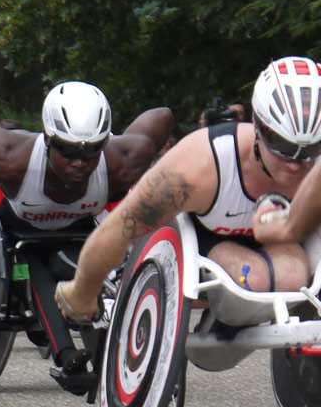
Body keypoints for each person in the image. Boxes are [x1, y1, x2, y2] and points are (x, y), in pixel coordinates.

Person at [56, 57, 320, 329]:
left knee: (293, 274)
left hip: (282, 244)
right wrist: (82, 290)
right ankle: (227, 317)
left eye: (309, 151)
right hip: (205, 238)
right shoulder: (200, 165)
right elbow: (119, 228)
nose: (294, 164)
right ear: (257, 125)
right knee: (254, 278)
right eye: (282, 146)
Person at [0, 81, 172, 392]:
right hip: (19, 230)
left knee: (71, 264)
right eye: (68, 150)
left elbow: (162, 116)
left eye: (91, 151)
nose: (80, 162)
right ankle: (66, 355)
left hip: (76, 231)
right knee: (34, 261)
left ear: (105, 142)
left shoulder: (123, 160)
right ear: (48, 139)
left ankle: (112, 341)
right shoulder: (8, 157)